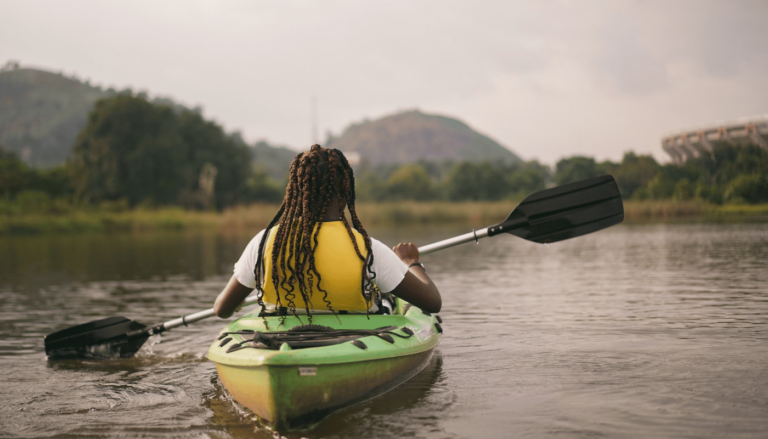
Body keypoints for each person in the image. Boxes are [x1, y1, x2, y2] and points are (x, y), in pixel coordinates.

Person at [213, 144, 441, 320]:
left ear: (296, 191)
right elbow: (432, 303)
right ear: (345, 191)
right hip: (355, 342)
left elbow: (222, 309)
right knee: (386, 298)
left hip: (278, 339)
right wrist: (411, 262)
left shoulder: (263, 243)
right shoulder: (368, 250)